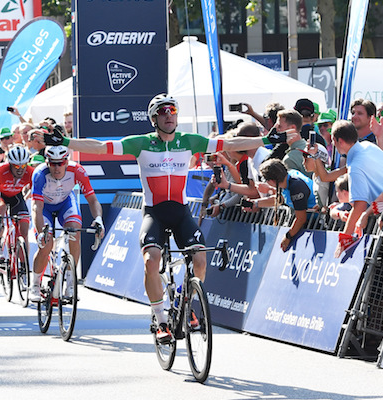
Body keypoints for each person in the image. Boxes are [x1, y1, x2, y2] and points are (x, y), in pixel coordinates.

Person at [43, 93, 291, 343]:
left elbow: (229, 144)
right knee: (152, 261)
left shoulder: (189, 141)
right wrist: (65, 141)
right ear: (153, 118)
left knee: (200, 261)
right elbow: (100, 147)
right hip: (155, 212)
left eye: (172, 110)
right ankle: (161, 320)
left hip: (181, 212)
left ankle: (186, 298)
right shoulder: (140, 143)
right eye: (163, 111)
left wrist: (266, 140)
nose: (169, 115)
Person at [30, 145, 104, 302]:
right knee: (46, 244)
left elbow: (92, 200)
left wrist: (98, 219)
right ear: (47, 162)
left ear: (67, 161)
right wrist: (40, 231)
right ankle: (35, 285)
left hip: (65, 203)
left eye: (61, 163)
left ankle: (70, 283)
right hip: (45, 207)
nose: (57, 168)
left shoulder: (77, 171)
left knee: (75, 233)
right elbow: (37, 206)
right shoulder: (40, 174)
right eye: (53, 163)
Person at [328, 120, 383, 255]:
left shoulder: (355, 167)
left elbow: (359, 206)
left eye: (333, 141)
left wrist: (344, 239)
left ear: (339, 141)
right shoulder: (368, 146)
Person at [256, 159, 317, 251]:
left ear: (272, 181)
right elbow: (280, 199)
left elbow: (301, 218)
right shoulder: (287, 177)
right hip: (310, 220)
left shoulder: (296, 187)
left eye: (265, 180)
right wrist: (255, 203)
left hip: (316, 221)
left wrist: (288, 236)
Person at [0, 146, 34, 265]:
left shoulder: (30, 172)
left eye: (23, 166)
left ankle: (24, 266)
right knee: (0, 213)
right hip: (1, 196)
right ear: (10, 164)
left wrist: (27, 197)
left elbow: (37, 193)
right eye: (16, 166)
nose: (20, 170)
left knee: (24, 230)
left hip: (16, 197)